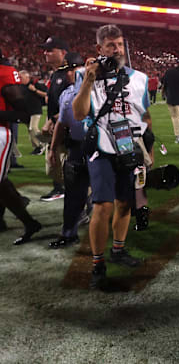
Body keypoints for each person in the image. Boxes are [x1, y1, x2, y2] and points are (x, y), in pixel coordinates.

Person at [73, 24, 150, 289]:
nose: (116, 49)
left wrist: (146, 148)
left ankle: (118, 249)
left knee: (126, 203)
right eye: (110, 45)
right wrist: (88, 80)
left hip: (128, 148)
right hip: (101, 148)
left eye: (119, 44)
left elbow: (144, 114)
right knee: (103, 206)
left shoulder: (139, 78)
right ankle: (98, 262)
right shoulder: (85, 74)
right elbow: (80, 113)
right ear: (99, 48)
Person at [48, 52, 92, 249]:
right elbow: (62, 123)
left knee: (112, 192)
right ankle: (69, 233)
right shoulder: (66, 93)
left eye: (73, 69)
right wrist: (52, 148)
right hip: (76, 146)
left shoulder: (101, 90)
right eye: (68, 70)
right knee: (73, 194)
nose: (70, 74)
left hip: (101, 146)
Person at [0, 48, 42, 244]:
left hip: (0, 133)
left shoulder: (4, 73)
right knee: (2, 180)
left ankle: (29, 222)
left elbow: (23, 114)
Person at [39, 36, 70, 202]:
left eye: (50, 50)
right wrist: (50, 120)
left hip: (68, 127)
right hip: (56, 125)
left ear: (63, 52)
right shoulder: (57, 74)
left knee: (68, 163)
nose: (46, 53)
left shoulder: (70, 73)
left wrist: (53, 120)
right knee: (54, 162)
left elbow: (72, 102)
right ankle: (59, 188)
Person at [18, 70, 47, 155]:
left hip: (36, 110)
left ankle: (42, 143)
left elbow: (46, 94)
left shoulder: (36, 84)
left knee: (33, 128)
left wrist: (35, 90)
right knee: (30, 131)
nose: (20, 79)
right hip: (27, 111)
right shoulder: (21, 86)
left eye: (21, 77)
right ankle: (36, 148)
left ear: (27, 77)